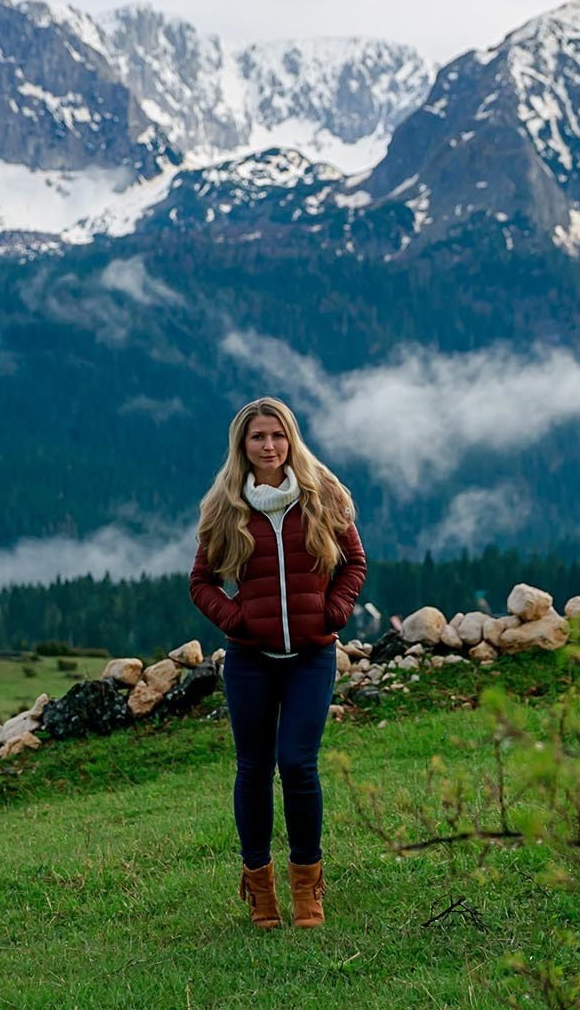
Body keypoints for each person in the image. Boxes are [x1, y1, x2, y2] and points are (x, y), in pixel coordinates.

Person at [189, 395, 366, 932]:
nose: (268, 445)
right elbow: (202, 582)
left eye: (277, 435)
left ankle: (308, 885)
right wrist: (235, 621)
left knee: (297, 764)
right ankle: (259, 886)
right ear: (242, 446)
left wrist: (331, 613)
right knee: (253, 768)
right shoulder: (225, 505)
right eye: (257, 437)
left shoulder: (323, 495)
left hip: (311, 656)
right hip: (250, 660)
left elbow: (353, 562)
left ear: (291, 439)